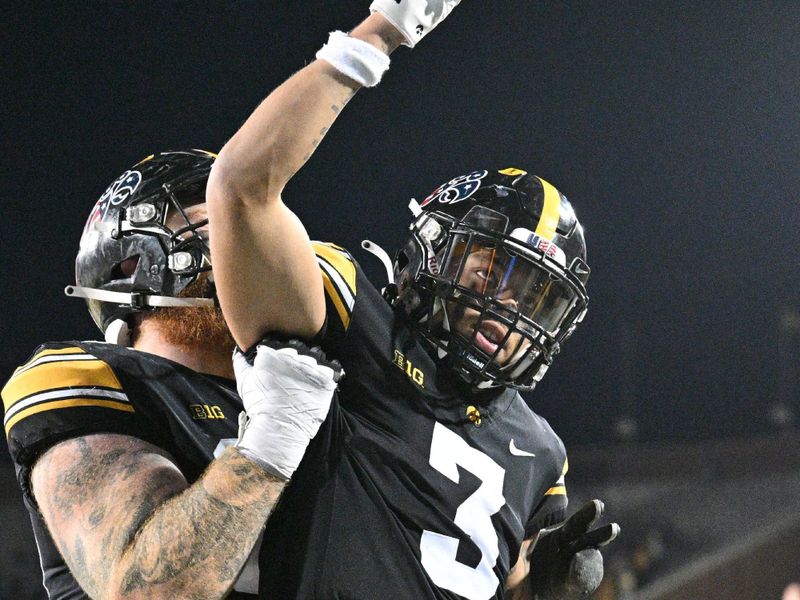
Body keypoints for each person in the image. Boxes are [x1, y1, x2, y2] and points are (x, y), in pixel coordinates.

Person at [207, 1, 618, 599]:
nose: (508, 310)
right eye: (488, 273)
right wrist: (378, 36)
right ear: (434, 251)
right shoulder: (355, 321)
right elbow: (241, 190)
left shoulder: (540, 451)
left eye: (534, 298)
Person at [1, 149, 340, 599]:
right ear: (130, 265)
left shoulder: (309, 387)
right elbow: (150, 593)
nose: (249, 243)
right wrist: (273, 436)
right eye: (216, 224)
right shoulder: (96, 377)